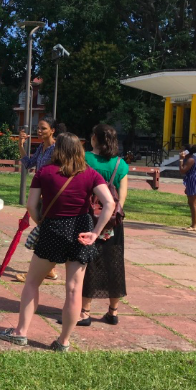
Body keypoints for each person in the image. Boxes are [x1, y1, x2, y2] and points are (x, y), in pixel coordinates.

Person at [0, 132, 114, 352]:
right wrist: (96, 233)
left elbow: (32, 204)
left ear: (57, 149)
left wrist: (40, 221)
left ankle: (21, 332)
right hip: (81, 231)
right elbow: (108, 203)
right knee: (73, 289)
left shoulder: (45, 172)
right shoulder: (90, 174)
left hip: (52, 229)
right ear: (79, 150)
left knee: (32, 282)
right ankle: (64, 341)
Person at [77, 124, 129, 326]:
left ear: (95, 139)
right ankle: (113, 312)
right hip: (112, 222)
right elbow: (122, 198)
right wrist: (110, 218)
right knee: (114, 264)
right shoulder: (120, 164)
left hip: (88, 218)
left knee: (87, 263)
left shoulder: (85, 159)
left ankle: (84, 312)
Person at [14, 116, 65, 282]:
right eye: (38, 128)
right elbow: (29, 164)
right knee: (45, 231)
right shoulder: (41, 148)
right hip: (41, 195)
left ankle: (41, 271)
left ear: (52, 130)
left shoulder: (57, 149)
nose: (39, 131)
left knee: (46, 233)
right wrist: (20, 146)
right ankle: (50, 269)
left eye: (43, 128)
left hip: (52, 195)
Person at [179, 144, 196, 232]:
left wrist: (181, 159)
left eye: (183, 150)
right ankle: (193, 224)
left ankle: (194, 225)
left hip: (195, 180)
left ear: (187, 151)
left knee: (193, 203)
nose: (181, 151)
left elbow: (182, 170)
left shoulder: (190, 159)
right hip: (193, 180)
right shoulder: (191, 158)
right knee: (191, 202)